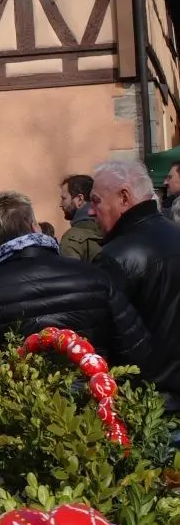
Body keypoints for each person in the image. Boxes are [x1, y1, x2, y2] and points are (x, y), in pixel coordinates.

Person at [0, 191, 154, 372]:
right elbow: (136, 349)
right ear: (34, 226)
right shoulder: (94, 276)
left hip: (18, 407)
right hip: (92, 401)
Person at [92, 159, 180, 411]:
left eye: (96, 200)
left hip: (148, 408)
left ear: (124, 197)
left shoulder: (115, 257)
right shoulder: (175, 234)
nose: (90, 210)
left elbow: (104, 339)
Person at [58, 174, 102, 262]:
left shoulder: (72, 238)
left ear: (79, 199)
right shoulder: (111, 228)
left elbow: (70, 274)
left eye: (64, 198)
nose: (60, 204)